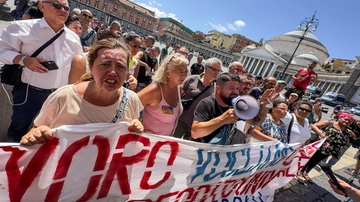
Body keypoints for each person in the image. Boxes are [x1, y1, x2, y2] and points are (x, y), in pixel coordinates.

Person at [20, 38, 144, 146]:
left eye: (120, 66)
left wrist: (137, 127)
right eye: (105, 64)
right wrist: (34, 135)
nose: (113, 72)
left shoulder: (132, 100)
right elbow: (35, 131)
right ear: (91, 67)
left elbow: (131, 137)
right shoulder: (63, 97)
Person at [0, 0, 83, 142]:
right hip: (30, 93)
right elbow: (2, 50)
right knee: (19, 128)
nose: (63, 10)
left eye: (66, 7)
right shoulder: (21, 28)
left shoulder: (73, 37)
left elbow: (79, 65)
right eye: (57, 5)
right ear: (42, 6)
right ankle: (12, 162)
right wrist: (23, 59)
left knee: (50, 134)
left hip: (59, 96)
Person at [191, 73, 272, 145]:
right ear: (218, 89)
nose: (235, 92)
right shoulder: (207, 103)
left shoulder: (235, 105)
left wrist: (264, 108)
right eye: (231, 88)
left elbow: (255, 122)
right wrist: (223, 119)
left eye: (237, 88)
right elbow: (195, 132)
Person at [138, 53, 188, 136]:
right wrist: (137, 122)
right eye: (180, 72)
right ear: (167, 73)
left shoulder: (178, 89)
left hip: (163, 144)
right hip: (145, 142)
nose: (184, 75)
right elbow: (130, 105)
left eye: (186, 72)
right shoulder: (155, 89)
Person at [297, 112, 354, 183]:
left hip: (329, 150)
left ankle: (305, 173)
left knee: (315, 161)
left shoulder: (346, 130)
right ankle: (300, 172)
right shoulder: (330, 123)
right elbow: (314, 126)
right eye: (345, 119)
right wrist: (321, 133)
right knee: (310, 159)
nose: (347, 122)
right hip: (320, 146)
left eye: (350, 121)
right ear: (340, 118)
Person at [172, 57, 222, 140]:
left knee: (185, 150)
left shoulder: (217, 89)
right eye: (214, 70)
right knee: (170, 142)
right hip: (180, 120)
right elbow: (176, 96)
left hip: (196, 127)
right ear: (206, 68)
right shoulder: (192, 79)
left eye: (219, 71)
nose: (217, 73)